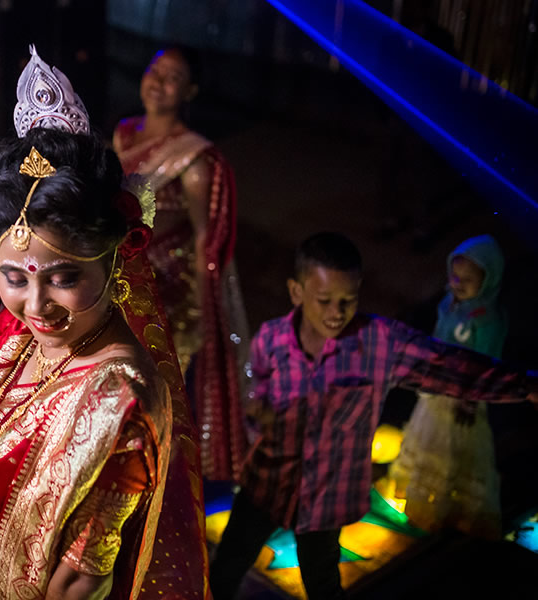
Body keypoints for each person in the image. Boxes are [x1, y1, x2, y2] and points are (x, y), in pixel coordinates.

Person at [0, 46, 209, 599]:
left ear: (115, 256)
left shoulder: (117, 399)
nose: (37, 306)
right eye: (14, 278)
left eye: (62, 277)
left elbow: (80, 580)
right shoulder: (21, 338)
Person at [209, 232, 537, 600]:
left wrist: (524, 385)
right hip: (265, 484)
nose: (337, 313)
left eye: (348, 300)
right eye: (325, 300)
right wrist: (256, 415)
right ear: (297, 292)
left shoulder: (380, 343)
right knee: (226, 567)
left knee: (322, 582)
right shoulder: (271, 340)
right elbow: (254, 394)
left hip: (325, 500)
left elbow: (450, 366)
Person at [113, 45, 249, 481]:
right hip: (120, 278)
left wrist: (206, 306)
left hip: (168, 296)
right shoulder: (125, 133)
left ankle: (161, 485)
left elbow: (207, 238)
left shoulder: (194, 161)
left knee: (158, 396)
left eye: (174, 78)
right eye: (156, 71)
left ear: (189, 90)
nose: (159, 82)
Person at [389, 234, 507, 538]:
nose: (458, 282)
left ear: (488, 280)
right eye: (455, 275)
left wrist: (469, 399)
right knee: (430, 442)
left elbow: (486, 363)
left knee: (455, 449)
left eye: (469, 279)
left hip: (460, 399)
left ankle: (447, 509)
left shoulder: (487, 320)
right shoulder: (449, 303)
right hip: (438, 390)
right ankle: (423, 507)